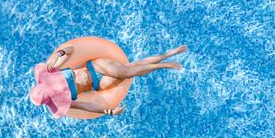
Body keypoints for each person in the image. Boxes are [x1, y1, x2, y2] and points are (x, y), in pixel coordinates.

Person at [41, 45, 187, 116]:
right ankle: (168, 54)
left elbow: (71, 49)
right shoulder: (60, 101)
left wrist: (57, 55)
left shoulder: (52, 72)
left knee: (128, 71)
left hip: (95, 67)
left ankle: (165, 65)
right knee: (130, 68)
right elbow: (85, 106)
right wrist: (109, 111)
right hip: (97, 84)